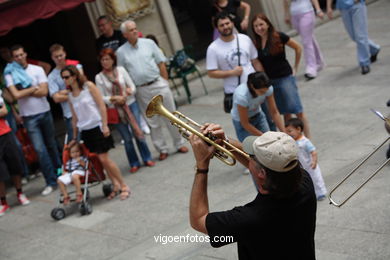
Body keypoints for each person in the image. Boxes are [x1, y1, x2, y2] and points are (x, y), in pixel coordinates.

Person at [188, 124, 317, 259]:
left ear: (261, 173)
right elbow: (266, 167)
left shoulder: (249, 218)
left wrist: (202, 166)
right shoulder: (305, 182)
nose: (248, 156)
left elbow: (198, 220)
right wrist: (225, 141)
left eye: (252, 156)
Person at [116, 20, 188, 161]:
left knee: (171, 115)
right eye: (131, 30)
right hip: (141, 90)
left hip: (158, 83)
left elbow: (161, 62)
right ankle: (162, 149)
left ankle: (179, 144)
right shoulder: (121, 52)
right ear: (125, 34)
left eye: (135, 28)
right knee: (152, 120)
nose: (135, 31)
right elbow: (121, 73)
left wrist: (165, 81)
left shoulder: (148, 43)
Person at [62, 65, 130, 200]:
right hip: (85, 130)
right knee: (100, 160)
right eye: (63, 78)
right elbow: (74, 118)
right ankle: (115, 184)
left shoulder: (88, 87)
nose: (65, 80)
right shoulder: (70, 95)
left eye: (67, 77)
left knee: (105, 158)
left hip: (97, 126)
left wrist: (104, 125)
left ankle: (123, 185)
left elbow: (101, 105)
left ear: (75, 76)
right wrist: (74, 137)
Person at [4, 44, 61, 196]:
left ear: (25, 54)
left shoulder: (37, 69)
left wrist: (25, 91)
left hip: (45, 111)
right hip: (29, 117)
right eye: (16, 56)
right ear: (13, 58)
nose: (20, 58)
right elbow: (15, 95)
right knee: (40, 150)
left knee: (52, 146)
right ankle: (50, 181)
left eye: (21, 54)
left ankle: (60, 173)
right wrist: (32, 88)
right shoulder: (10, 73)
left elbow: (44, 91)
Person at [252, 13, 312, 139]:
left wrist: (295, 67)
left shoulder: (278, 36)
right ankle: (290, 139)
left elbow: (298, 48)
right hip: (269, 81)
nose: (259, 28)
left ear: (268, 24)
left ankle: (308, 139)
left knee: (297, 109)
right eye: (256, 26)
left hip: (285, 78)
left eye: (261, 24)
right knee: (283, 112)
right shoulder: (256, 43)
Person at [95, 48, 155, 173]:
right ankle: (134, 162)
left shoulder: (121, 70)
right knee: (127, 138)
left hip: (130, 104)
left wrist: (128, 93)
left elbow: (132, 86)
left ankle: (147, 157)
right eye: (102, 60)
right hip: (115, 110)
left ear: (113, 60)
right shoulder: (99, 77)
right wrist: (113, 98)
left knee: (137, 131)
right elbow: (101, 97)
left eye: (107, 59)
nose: (105, 62)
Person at [206, 12, 264, 114]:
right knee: (245, 125)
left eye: (227, 23)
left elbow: (255, 61)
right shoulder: (213, 48)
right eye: (221, 25)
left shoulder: (244, 39)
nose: (225, 27)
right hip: (235, 92)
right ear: (217, 28)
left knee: (267, 119)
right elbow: (211, 73)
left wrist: (264, 79)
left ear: (232, 23)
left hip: (255, 88)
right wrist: (232, 73)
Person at [326, 0, 380, 75]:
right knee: (354, 36)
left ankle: (364, 63)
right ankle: (374, 49)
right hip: (343, 7)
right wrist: (329, 7)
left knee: (360, 36)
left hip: (357, 5)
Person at [0, 91, 30, 216]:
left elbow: (4, 111)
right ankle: (3, 202)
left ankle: (20, 193)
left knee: (14, 164)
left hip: (5, 133)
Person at [232, 71, 285, 142]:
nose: (264, 94)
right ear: (252, 86)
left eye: (265, 92)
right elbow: (245, 123)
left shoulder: (268, 89)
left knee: (269, 144)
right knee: (250, 149)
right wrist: (264, 137)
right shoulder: (242, 96)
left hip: (258, 115)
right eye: (261, 92)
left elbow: (274, 112)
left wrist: (284, 133)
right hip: (242, 122)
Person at [48, 43, 84, 141]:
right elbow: (56, 98)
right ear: (52, 57)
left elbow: (83, 86)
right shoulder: (51, 77)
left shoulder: (76, 66)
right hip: (70, 114)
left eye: (61, 55)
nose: (59, 58)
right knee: (77, 144)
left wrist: (63, 92)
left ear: (65, 53)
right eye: (56, 56)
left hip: (85, 108)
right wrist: (74, 92)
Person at [286, 118, 327, 200]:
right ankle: (309, 194)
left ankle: (320, 193)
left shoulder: (305, 141)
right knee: (304, 181)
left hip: (310, 166)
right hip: (302, 167)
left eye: (290, 131)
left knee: (316, 180)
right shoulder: (292, 142)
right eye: (287, 132)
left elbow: (313, 152)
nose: (288, 134)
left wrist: (314, 162)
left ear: (298, 129)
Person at [284, 0, 325, 80]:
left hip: (306, 12)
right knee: (309, 38)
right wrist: (286, 14)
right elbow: (285, 1)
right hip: (294, 15)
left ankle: (311, 68)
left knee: (306, 41)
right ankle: (319, 61)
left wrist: (318, 10)